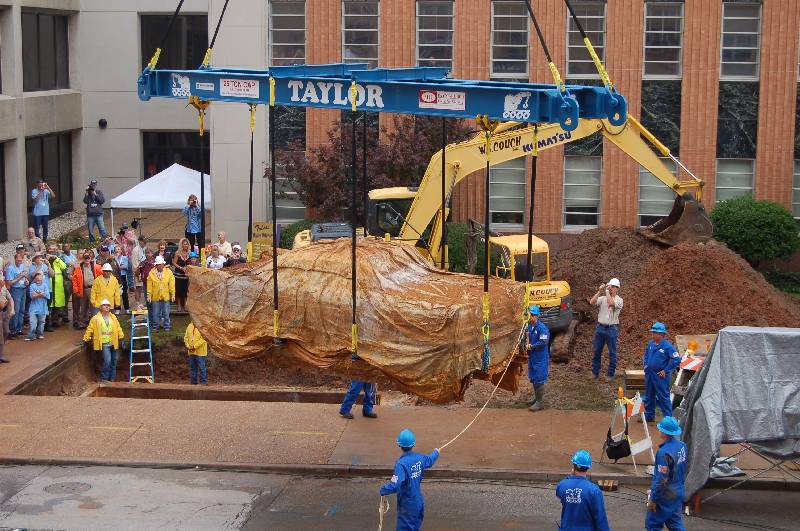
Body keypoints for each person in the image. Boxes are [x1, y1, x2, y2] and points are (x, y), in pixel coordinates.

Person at [379, 429, 440, 531]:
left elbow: (395, 485)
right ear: (413, 444)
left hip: (407, 504)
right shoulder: (420, 458)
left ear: (399, 445)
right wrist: (436, 452)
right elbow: (430, 460)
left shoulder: (401, 464)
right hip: (418, 502)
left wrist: (383, 490)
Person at [646, 417, 687, 531]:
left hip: (666, 495)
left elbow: (661, 480)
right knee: (675, 524)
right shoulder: (682, 446)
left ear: (663, 432)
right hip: (678, 490)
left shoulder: (663, 452)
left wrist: (653, 498)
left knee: (653, 524)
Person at [556, 450, 610, 531]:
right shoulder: (594, 491)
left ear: (573, 466)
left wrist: (571, 477)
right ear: (588, 467)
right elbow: (600, 518)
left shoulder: (562, 485)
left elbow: (559, 495)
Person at [642, 322, 680, 423]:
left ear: (662, 334)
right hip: (650, 375)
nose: (653, 334)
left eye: (656, 333)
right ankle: (649, 415)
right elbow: (646, 355)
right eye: (653, 332)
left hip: (660, 376)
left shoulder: (668, 346)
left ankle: (668, 420)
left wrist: (666, 370)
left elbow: (676, 360)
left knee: (663, 397)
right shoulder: (650, 344)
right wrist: (645, 364)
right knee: (649, 395)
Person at [82, 299, 124, 382]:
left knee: (114, 361)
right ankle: (104, 378)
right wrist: (85, 339)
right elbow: (90, 329)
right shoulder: (96, 318)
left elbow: (118, 328)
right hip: (105, 343)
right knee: (107, 361)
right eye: (104, 305)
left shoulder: (113, 317)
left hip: (113, 342)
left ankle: (112, 378)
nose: (107, 306)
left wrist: (121, 337)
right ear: (101, 307)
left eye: (108, 305)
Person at [590, 278, 623, 380]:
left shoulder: (619, 300)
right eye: (610, 286)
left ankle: (610, 374)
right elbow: (592, 302)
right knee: (597, 351)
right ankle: (595, 372)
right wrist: (599, 292)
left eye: (613, 287)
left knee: (612, 352)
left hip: (611, 328)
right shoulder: (603, 298)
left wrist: (607, 292)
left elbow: (611, 303)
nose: (611, 288)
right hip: (600, 327)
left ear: (617, 288)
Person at [526, 305, 550, 412]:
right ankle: (536, 398)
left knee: (539, 379)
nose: (530, 317)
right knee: (534, 377)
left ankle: (540, 402)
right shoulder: (530, 326)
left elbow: (544, 342)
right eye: (529, 315)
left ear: (537, 316)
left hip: (540, 357)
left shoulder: (542, 328)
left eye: (532, 315)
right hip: (533, 356)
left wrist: (532, 346)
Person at [5, 249, 30, 337]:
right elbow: (9, 283)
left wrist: (26, 281)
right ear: (15, 259)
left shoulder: (22, 266)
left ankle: (19, 329)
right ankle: (13, 330)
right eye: (18, 260)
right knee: (15, 310)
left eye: (21, 260)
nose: (19, 262)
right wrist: (20, 277)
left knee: (22, 310)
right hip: (15, 290)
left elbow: (24, 277)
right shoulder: (10, 268)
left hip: (23, 289)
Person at [73, 251, 102, 328]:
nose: (87, 259)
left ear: (91, 258)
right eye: (85, 258)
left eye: (88, 257)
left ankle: (94, 324)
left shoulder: (96, 267)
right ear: (83, 259)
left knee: (94, 307)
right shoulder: (78, 268)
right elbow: (75, 280)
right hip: (83, 289)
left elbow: (101, 277)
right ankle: (83, 323)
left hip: (93, 289)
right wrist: (76, 291)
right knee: (83, 307)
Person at [147, 255, 175, 331]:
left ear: (163, 264)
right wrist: (149, 296)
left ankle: (167, 326)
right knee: (155, 313)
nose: (160, 266)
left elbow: (172, 284)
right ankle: (155, 327)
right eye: (158, 264)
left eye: (161, 264)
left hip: (165, 296)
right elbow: (149, 286)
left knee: (166, 313)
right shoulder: (151, 273)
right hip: (155, 297)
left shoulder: (169, 272)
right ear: (155, 265)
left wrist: (172, 294)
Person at [45, 243, 67, 330]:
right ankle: (48, 322)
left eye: (53, 249)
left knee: (57, 304)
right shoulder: (45, 258)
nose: (52, 250)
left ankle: (55, 320)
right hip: (49, 283)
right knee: (49, 304)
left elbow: (64, 266)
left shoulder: (59, 258)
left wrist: (56, 259)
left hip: (58, 284)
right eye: (50, 248)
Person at [26, 272, 49, 340]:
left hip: (43, 308)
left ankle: (40, 335)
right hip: (33, 308)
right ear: (35, 279)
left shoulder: (45, 285)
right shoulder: (32, 286)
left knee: (41, 323)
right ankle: (30, 336)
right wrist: (41, 294)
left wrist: (37, 294)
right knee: (33, 324)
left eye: (40, 279)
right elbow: (32, 296)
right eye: (37, 279)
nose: (39, 281)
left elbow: (47, 296)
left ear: (42, 279)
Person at [59, 243, 76, 322]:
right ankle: (64, 315)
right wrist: (67, 276)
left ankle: (75, 316)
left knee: (76, 298)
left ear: (70, 247)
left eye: (68, 246)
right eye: (64, 246)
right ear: (62, 248)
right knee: (66, 298)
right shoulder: (61, 257)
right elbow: (62, 268)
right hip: (67, 279)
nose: (66, 247)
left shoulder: (73, 256)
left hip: (75, 278)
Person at [172, 238, 191, 311]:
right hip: (178, 274)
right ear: (181, 245)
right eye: (184, 244)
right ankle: (179, 305)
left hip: (186, 275)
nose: (185, 245)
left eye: (187, 244)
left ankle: (185, 304)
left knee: (186, 289)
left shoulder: (189, 252)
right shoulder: (177, 253)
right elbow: (174, 263)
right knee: (178, 289)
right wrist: (181, 267)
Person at [130, 236, 148, 307]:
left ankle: (143, 302)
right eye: (144, 241)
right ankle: (137, 303)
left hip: (145, 270)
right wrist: (138, 273)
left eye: (146, 241)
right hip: (138, 270)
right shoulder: (135, 250)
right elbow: (134, 263)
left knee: (143, 287)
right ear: (140, 241)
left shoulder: (144, 248)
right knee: (138, 287)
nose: (145, 243)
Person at [0, 273, 14, 361]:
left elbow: (10, 299)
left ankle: (1, 353)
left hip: (4, 313)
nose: (3, 282)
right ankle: (1, 356)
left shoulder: (4, 289)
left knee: (6, 332)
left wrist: (12, 309)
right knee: (0, 335)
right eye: (1, 281)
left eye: (3, 280)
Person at [115, 246, 131, 313]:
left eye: (119, 249)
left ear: (121, 250)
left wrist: (118, 266)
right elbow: (113, 267)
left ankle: (127, 308)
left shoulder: (124, 258)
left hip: (123, 276)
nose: (117, 250)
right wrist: (119, 266)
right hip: (116, 277)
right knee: (116, 293)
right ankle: (117, 308)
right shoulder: (113, 258)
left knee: (124, 293)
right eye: (116, 249)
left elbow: (125, 266)